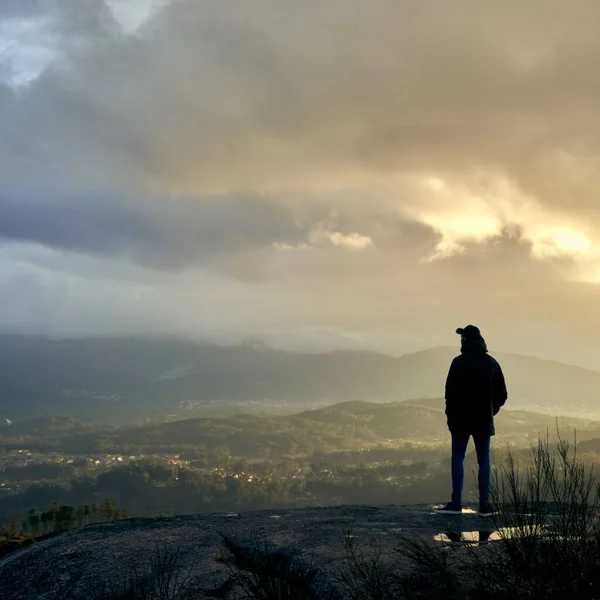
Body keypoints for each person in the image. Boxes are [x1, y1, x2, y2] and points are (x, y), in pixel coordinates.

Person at [435, 325, 507, 516]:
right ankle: (485, 506)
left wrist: (450, 414)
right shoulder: (492, 363)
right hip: (484, 419)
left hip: (460, 419)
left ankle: (456, 503)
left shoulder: (458, 362)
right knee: (484, 460)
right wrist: (492, 410)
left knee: (457, 457)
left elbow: (449, 392)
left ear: (464, 341)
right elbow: (502, 394)